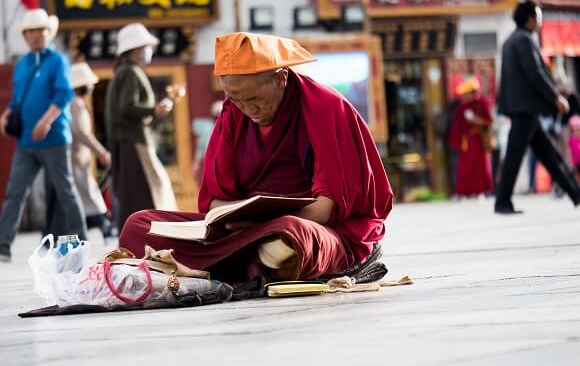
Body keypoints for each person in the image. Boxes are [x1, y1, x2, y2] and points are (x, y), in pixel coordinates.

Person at [118, 32, 393, 282]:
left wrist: (259, 223)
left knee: (290, 236)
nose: (248, 109)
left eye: (255, 99)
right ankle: (249, 265)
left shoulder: (325, 109)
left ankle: (231, 264)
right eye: (235, 99)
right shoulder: (233, 115)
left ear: (280, 78)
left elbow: (324, 210)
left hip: (316, 229)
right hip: (243, 234)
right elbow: (213, 203)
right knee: (139, 224)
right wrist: (239, 217)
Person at [0, 9, 87, 261]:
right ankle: (3, 245)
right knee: (15, 192)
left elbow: (63, 95)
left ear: (49, 33)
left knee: (65, 190)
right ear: (25, 36)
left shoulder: (58, 61)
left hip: (54, 139)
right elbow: (17, 99)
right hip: (25, 141)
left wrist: (47, 121)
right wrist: (6, 114)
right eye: (31, 31)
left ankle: (81, 241)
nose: (36, 35)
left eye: (41, 30)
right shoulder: (23, 64)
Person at [495, 0, 580, 214]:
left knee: (548, 155)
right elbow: (535, 74)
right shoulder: (524, 40)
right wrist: (555, 97)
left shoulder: (510, 41)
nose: (541, 23)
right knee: (518, 156)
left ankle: (575, 193)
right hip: (525, 109)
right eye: (539, 17)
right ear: (530, 18)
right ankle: (502, 201)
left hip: (521, 109)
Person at [105, 23, 177, 232]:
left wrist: (155, 113)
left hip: (126, 141)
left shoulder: (123, 71)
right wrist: (154, 110)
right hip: (133, 141)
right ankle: (146, 235)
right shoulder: (131, 72)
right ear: (136, 48)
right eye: (146, 46)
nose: (149, 51)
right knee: (146, 191)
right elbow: (127, 108)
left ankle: (134, 235)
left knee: (133, 193)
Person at [45, 62, 113, 239]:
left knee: (83, 197)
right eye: (88, 83)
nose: (91, 86)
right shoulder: (76, 104)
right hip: (77, 157)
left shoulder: (70, 102)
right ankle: (103, 225)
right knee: (87, 197)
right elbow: (81, 132)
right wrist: (101, 151)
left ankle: (99, 225)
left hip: (73, 157)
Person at [448, 76, 493, 197]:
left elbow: (489, 121)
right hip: (466, 143)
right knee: (464, 169)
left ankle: (480, 192)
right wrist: (457, 141)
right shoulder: (461, 108)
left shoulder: (481, 104)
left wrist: (475, 120)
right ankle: (464, 192)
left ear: (472, 93)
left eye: (466, 94)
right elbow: (456, 127)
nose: (463, 97)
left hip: (478, 141)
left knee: (479, 168)